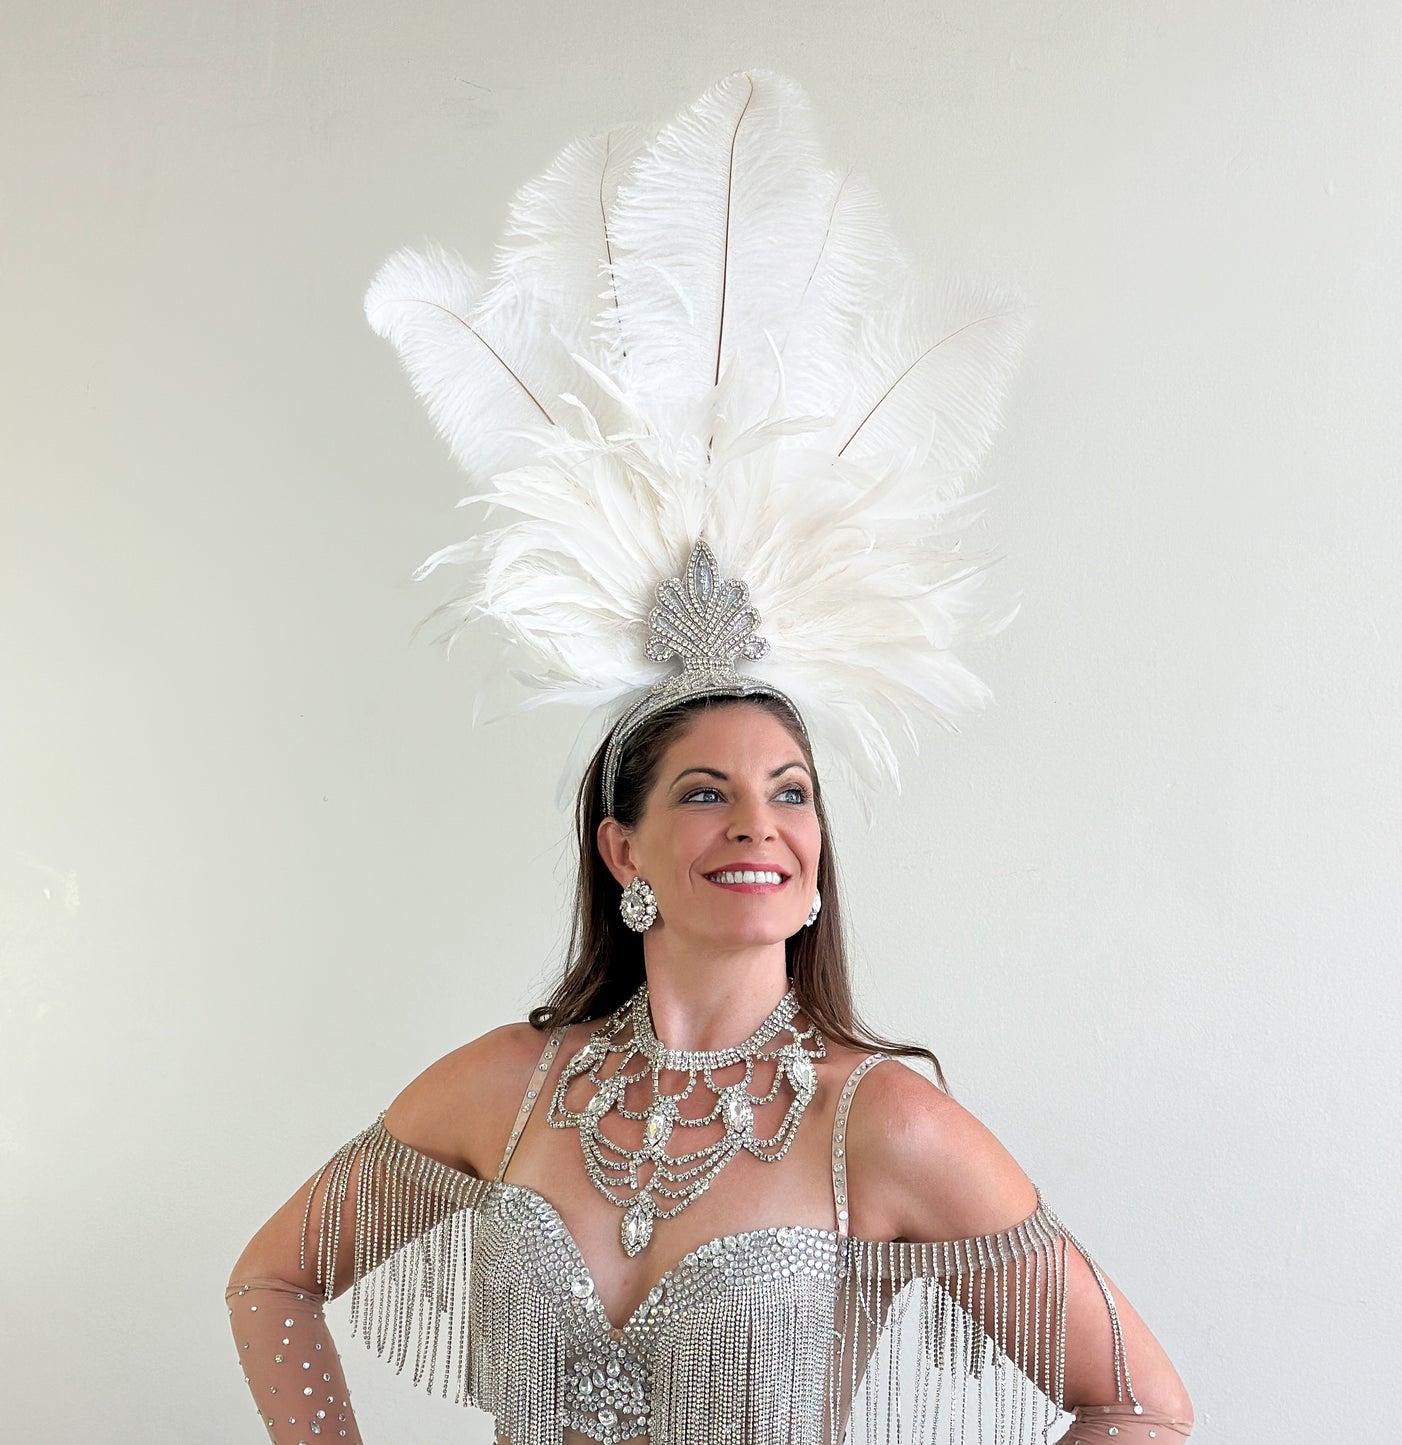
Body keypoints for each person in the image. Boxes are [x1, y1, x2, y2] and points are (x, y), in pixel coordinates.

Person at [227, 71, 1194, 1445]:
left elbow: (1141, 1406)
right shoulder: (506, 1086)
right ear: (622, 847)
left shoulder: (887, 1125)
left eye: (790, 793)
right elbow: (272, 1279)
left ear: (812, 870)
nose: (762, 822)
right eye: (706, 789)